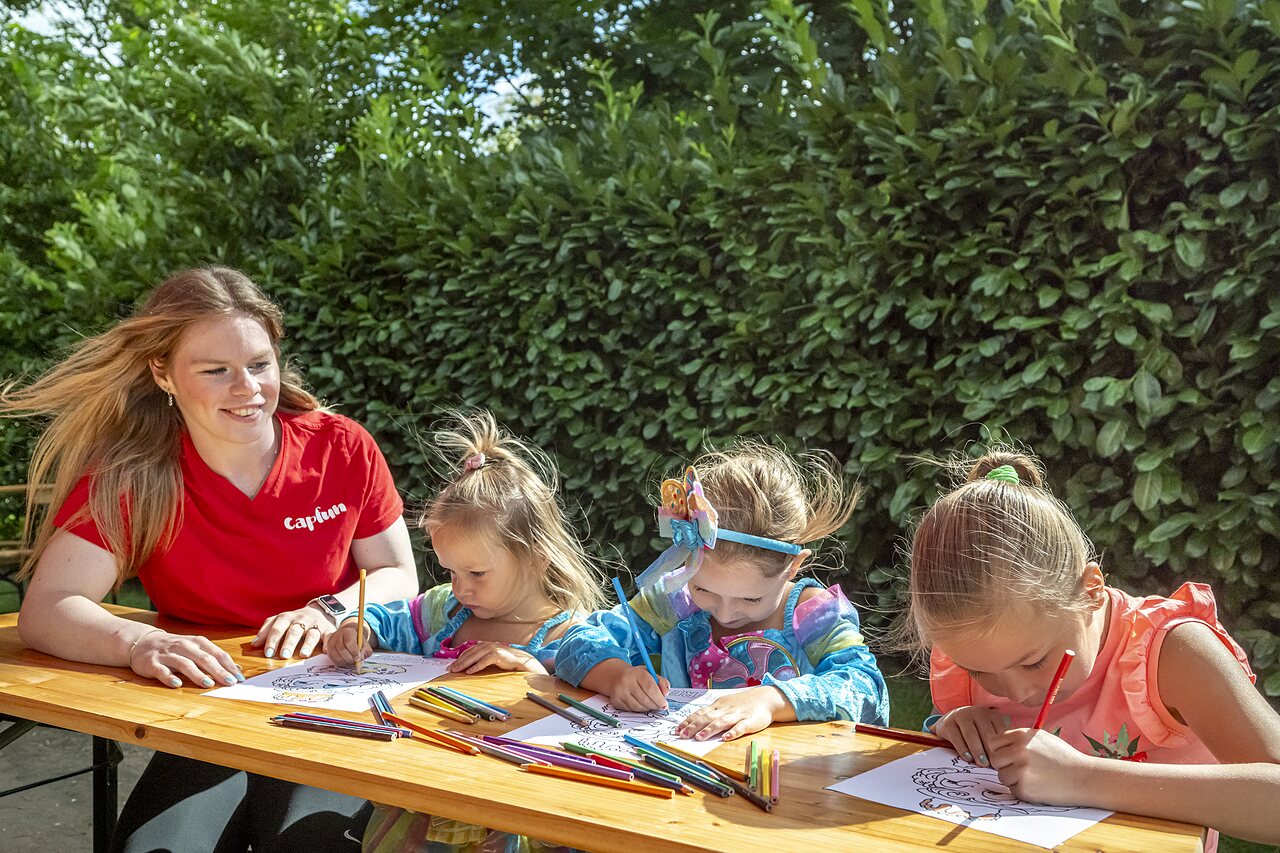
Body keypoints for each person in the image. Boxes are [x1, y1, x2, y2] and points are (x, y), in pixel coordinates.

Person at [1, 266, 419, 852]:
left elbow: (400, 575)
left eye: (259, 365)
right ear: (163, 374)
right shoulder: (134, 475)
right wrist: (136, 642)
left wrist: (330, 610)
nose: (246, 388)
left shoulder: (342, 447)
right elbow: (48, 608)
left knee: (308, 844)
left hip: (331, 705)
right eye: (216, 371)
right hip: (210, 711)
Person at [904, 448, 1280, 847]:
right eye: (978, 671)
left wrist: (1082, 778)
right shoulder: (976, 649)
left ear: (1090, 591)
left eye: (1034, 663)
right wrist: (954, 726)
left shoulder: (1171, 652)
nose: (1016, 694)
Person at [325, 409, 606, 853]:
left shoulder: (573, 636)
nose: (460, 587)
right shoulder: (442, 611)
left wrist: (534, 674)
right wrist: (357, 626)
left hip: (515, 816)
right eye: (450, 570)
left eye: (476, 572)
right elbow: (388, 620)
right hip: (421, 802)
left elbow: (597, 717)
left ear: (537, 556)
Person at [554, 440, 889, 742]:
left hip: (790, 779)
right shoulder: (676, 598)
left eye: (751, 598)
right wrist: (616, 677)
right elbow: (577, 641)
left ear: (793, 566)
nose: (725, 614)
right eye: (705, 589)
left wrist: (773, 699)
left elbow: (865, 688)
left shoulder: (813, 613)